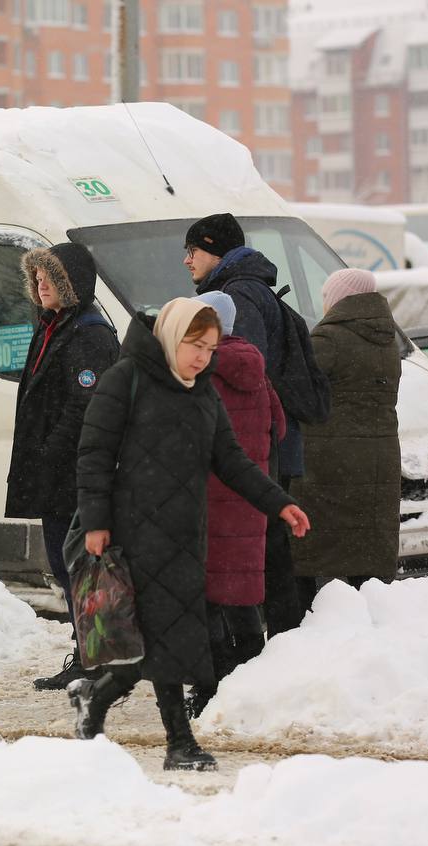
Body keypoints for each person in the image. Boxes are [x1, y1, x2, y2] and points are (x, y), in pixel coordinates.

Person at [69, 298, 310, 771]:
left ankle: (94, 699)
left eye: (209, 347)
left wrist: (277, 502)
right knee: (164, 633)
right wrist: (96, 521)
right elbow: (94, 452)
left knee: (165, 633)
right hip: (133, 527)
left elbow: (232, 458)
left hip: (187, 531)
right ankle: (179, 743)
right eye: (193, 345)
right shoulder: (127, 378)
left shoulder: (202, 391)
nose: (202, 356)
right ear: (169, 335)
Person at [185, 212, 309, 637]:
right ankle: (275, 638)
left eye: (193, 250)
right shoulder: (248, 289)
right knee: (262, 542)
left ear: (215, 250)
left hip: (252, 448)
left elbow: (246, 375)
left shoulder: (237, 296)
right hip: (263, 444)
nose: (187, 261)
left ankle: (270, 642)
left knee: (260, 544)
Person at [3, 243, 119, 691]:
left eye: (49, 276)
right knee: (67, 563)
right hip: (57, 474)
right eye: (36, 276)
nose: (40, 283)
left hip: (74, 475)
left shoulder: (87, 333)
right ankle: (93, 655)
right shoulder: (55, 325)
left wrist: (48, 451)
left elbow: (84, 405)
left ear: (72, 283)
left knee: (80, 566)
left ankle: (96, 661)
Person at [186, 291, 285, 718]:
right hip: (248, 497)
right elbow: (278, 428)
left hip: (205, 498)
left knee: (202, 593)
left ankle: (211, 685)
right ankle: (250, 675)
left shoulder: (199, 371)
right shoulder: (258, 371)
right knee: (243, 590)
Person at [291, 269, 400, 605]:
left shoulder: (329, 341)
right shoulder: (387, 340)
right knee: (367, 560)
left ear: (338, 300)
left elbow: (297, 390)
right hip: (378, 460)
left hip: (331, 464)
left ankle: (314, 629)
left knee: (316, 555)